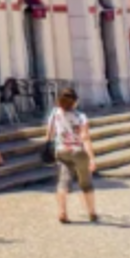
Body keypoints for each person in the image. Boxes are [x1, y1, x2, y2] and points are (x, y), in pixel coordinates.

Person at [47, 87, 98, 223]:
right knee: (86, 182)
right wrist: (92, 158)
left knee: (63, 182)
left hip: (62, 150)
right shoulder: (81, 116)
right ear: (75, 102)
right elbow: (85, 137)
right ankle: (92, 212)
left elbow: (50, 134)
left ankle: (62, 212)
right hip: (78, 151)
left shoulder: (54, 114)